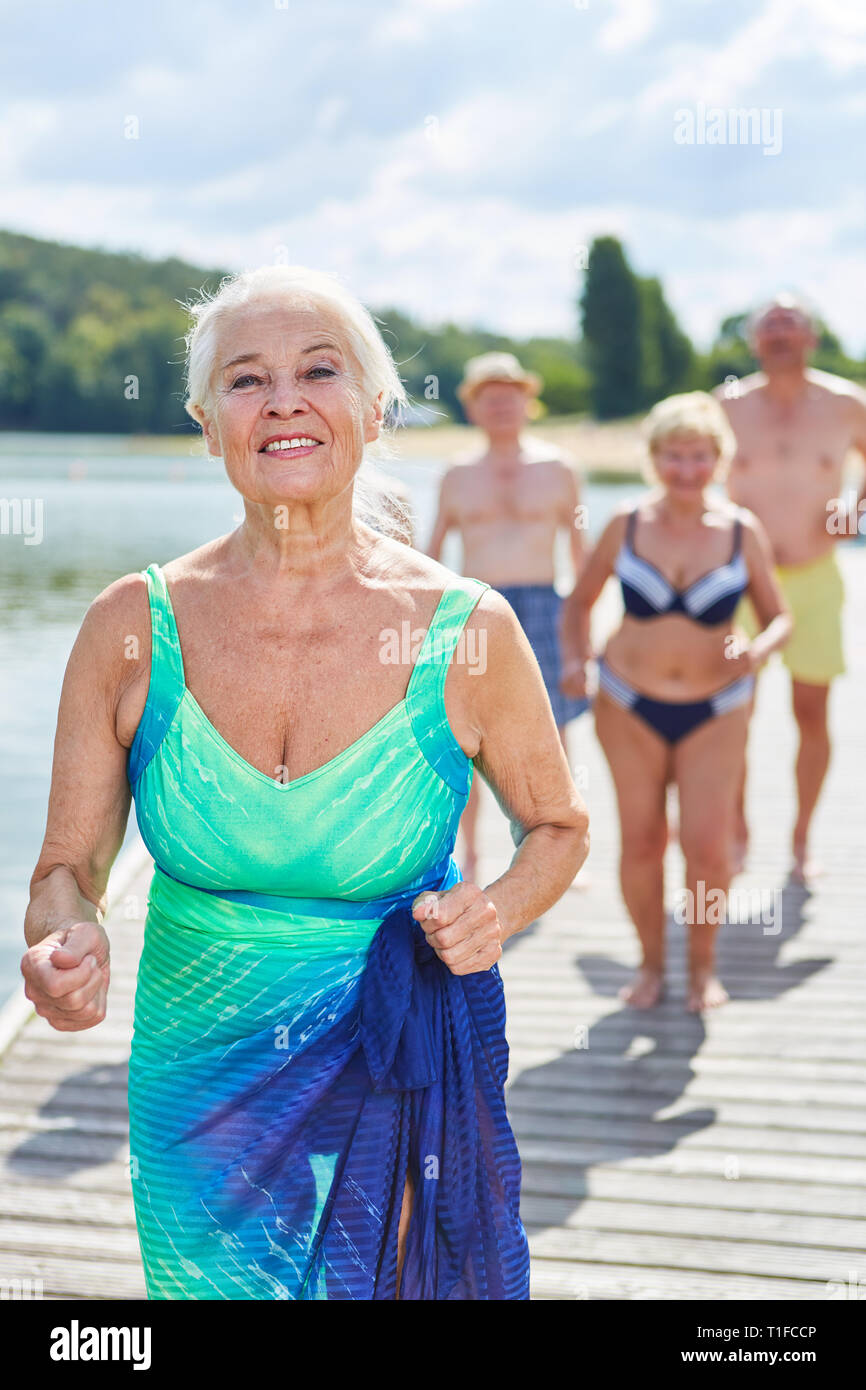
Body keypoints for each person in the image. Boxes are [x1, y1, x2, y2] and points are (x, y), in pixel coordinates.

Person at [20, 266, 590, 1301]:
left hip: (396, 1066)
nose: (282, 398)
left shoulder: (466, 628)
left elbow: (555, 825)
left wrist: (496, 910)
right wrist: (66, 941)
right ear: (205, 424)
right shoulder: (127, 628)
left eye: (318, 370)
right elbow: (65, 868)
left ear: (374, 410)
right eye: (246, 379)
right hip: (200, 1092)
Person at [560, 392, 790, 1012]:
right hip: (628, 702)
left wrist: (760, 647)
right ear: (653, 457)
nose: (685, 470)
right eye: (672, 456)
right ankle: (652, 965)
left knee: (708, 847)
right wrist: (576, 659)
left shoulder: (742, 530)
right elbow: (578, 602)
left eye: (698, 457)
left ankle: (703, 968)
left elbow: (779, 617)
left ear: (719, 458)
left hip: (718, 706)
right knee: (640, 842)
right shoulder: (626, 524)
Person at [714, 295, 866, 882]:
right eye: (769, 325)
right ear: (754, 342)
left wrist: (857, 509)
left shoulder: (847, 404)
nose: (780, 333)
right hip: (741, 581)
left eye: (791, 323)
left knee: (812, 710)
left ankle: (802, 840)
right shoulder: (727, 405)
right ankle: (738, 830)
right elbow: (687, 467)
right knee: (734, 711)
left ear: (812, 337)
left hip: (816, 577)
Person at [427, 351, 589, 880]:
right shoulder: (456, 474)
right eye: (488, 396)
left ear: (527, 400)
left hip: (545, 605)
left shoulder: (559, 468)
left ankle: (564, 854)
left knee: (556, 732)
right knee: (463, 734)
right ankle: (468, 858)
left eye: (510, 394)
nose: (501, 405)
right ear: (473, 407)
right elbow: (430, 559)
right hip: (473, 609)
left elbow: (582, 558)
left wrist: (582, 637)